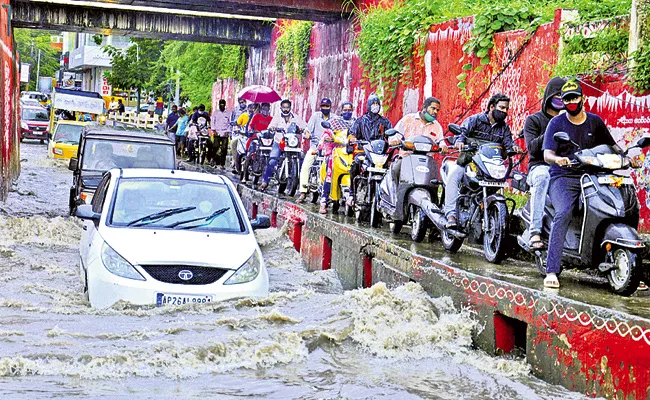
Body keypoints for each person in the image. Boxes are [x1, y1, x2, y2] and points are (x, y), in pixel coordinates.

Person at [541, 81, 618, 288]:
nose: (571, 102)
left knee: (616, 206)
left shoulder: (595, 122)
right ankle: (552, 270)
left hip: (592, 176)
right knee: (564, 212)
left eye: (575, 98)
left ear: (582, 98)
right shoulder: (556, 124)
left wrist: (628, 156)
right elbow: (547, 153)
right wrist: (557, 159)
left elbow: (612, 146)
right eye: (567, 99)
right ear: (562, 102)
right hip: (563, 177)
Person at [443, 93, 520, 228]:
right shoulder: (475, 120)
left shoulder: (504, 128)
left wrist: (513, 147)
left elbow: (508, 143)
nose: (504, 112)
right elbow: (462, 132)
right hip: (468, 162)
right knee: (453, 177)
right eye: (501, 108)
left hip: (489, 167)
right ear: (491, 107)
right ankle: (451, 215)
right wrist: (460, 142)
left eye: (506, 109)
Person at [521, 77, 566, 250]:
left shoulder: (569, 120)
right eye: (558, 95)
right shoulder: (534, 120)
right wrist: (552, 127)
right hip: (540, 166)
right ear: (548, 96)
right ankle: (535, 231)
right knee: (542, 176)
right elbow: (532, 148)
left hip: (563, 167)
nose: (561, 100)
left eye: (564, 96)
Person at [347, 94, 393, 206]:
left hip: (379, 154)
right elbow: (352, 133)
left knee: (391, 169)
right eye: (373, 104)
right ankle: (352, 193)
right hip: (364, 151)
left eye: (377, 104)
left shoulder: (384, 121)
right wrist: (352, 138)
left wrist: (393, 139)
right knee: (355, 165)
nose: (375, 106)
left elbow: (391, 134)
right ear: (368, 105)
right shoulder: (360, 121)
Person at [390, 97, 448, 182]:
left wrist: (443, 146)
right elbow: (395, 134)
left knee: (436, 180)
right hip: (406, 158)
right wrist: (394, 140)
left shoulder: (437, 126)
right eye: (433, 108)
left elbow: (441, 141)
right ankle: (395, 194)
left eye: (437, 110)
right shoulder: (408, 119)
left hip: (426, 161)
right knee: (395, 170)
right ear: (424, 108)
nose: (435, 112)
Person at [259, 99, 307, 191]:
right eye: (284, 107)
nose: (285, 109)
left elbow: (305, 126)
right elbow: (271, 126)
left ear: (290, 108)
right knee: (272, 161)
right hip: (279, 142)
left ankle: (300, 184)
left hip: (292, 144)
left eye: (287, 107)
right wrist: (273, 128)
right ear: (281, 108)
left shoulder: (296, 118)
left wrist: (303, 129)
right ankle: (265, 181)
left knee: (301, 160)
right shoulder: (277, 117)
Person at [296, 98, 337, 202]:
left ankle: (333, 195)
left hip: (329, 149)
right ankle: (303, 192)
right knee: (306, 165)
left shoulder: (335, 118)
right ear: (320, 107)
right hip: (315, 147)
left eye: (327, 106)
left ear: (330, 107)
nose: (325, 108)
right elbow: (307, 130)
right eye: (323, 106)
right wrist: (307, 135)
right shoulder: (315, 116)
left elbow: (338, 132)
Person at [211, 99, 233, 169]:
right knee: (215, 147)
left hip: (225, 133)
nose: (222, 106)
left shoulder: (228, 113)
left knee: (224, 149)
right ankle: (213, 160)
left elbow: (230, 123)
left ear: (225, 105)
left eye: (223, 105)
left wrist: (228, 131)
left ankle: (222, 164)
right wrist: (214, 130)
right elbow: (212, 122)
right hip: (217, 132)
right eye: (220, 104)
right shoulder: (215, 113)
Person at [229, 98, 248, 170]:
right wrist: (231, 132)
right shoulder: (235, 110)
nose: (242, 104)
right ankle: (235, 162)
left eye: (243, 102)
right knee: (234, 146)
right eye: (240, 102)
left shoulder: (249, 110)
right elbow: (231, 121)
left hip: (246, 133)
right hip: (236, 132)